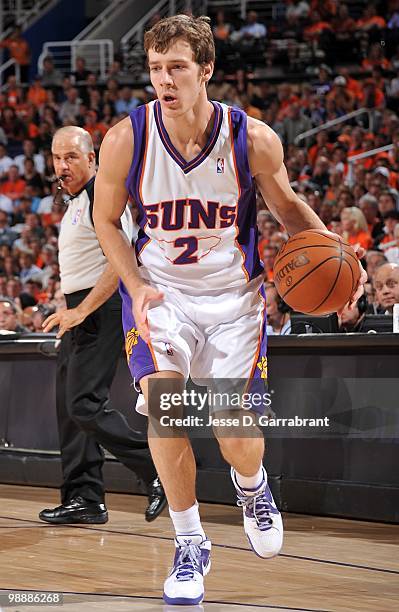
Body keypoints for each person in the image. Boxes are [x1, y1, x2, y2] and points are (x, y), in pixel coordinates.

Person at [93, 15, 366, 605]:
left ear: (206, 71)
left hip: (234, 299)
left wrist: (343, 258)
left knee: (233, 431)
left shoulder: (253, 138)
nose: (164, 80)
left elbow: (290, 210)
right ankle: (189, 541)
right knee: (165, 409)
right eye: (156, 68)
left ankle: (252, 486)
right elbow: (105, 221)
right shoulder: (126, 138)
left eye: (178, 68)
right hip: (161, 292)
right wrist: (136, 285)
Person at [38, 126, 165, 525]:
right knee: (69, 410)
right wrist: (68, 310)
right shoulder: (74, 201)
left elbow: (121, 258)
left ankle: (157, 468)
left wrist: (81, 311)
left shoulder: (99, 195)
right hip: (79, 310)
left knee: (84, 405)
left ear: (92, 158)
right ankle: (84, 497)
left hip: (103, 308)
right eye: (58, 158)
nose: (63, 165)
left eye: (72, 157)